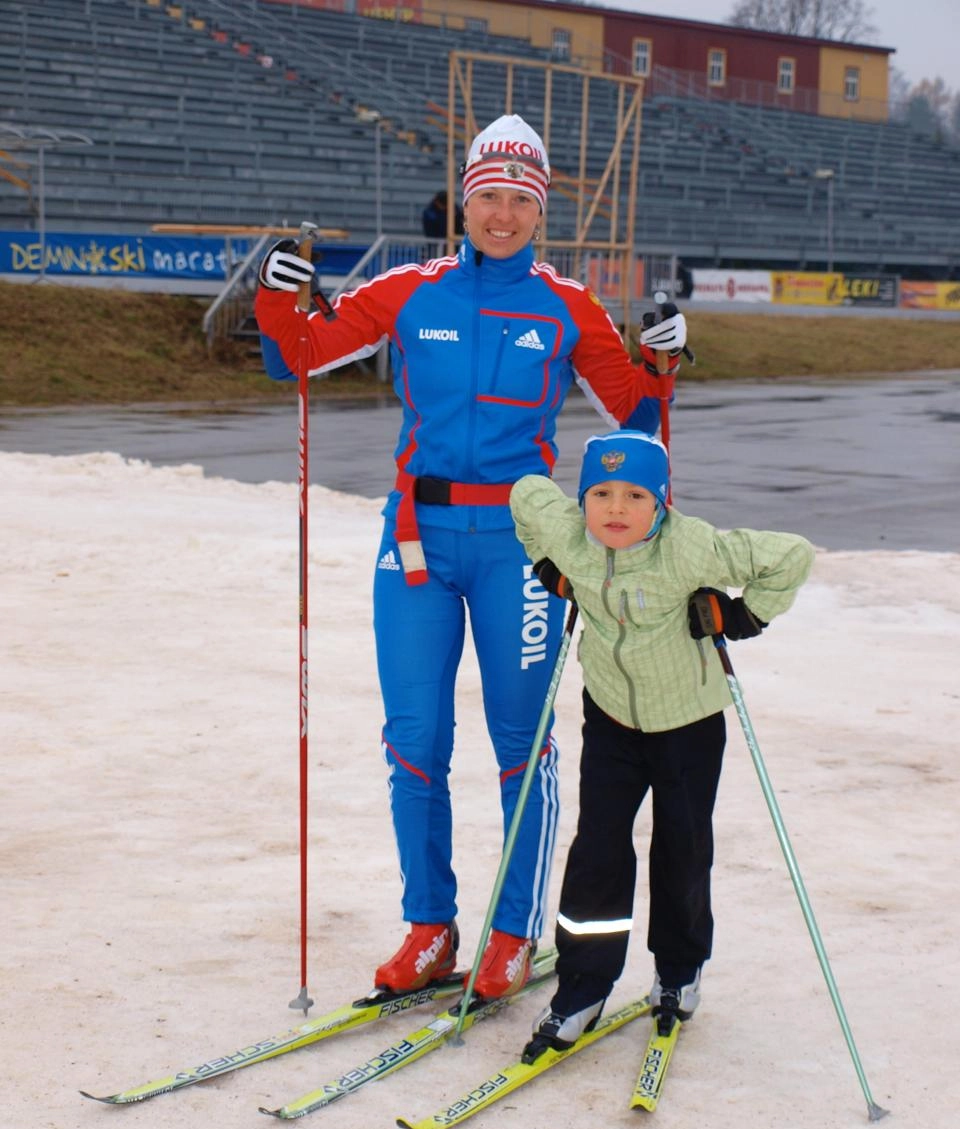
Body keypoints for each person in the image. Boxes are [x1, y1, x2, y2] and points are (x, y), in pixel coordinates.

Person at [253, 114, 688, 1001]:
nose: (500, 214)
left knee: (520, 747)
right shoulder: (411, 289)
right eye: (487, 196)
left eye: (518, 202)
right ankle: (428, 927)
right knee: (413, 741)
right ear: (465, 200)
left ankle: (513, 931)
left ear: (539, 211)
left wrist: (661, 360)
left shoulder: (568, 306)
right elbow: (294, 356)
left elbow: (634, 413)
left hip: (520, 547)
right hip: (414, 540)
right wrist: (276, 292)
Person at [509, 432, 813, 1057]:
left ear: (662, 503)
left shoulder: (692, 547)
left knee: (682, 844)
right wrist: (550, 569)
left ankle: (678, 971)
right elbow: (526, 495)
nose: (615, 509)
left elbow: (791, 555)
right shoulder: (571, 534)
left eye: (635, 496)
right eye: (600, 493)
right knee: (598, 848)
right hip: (612, 720)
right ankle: (583, 985)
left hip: (688, 726)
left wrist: (741, 615)